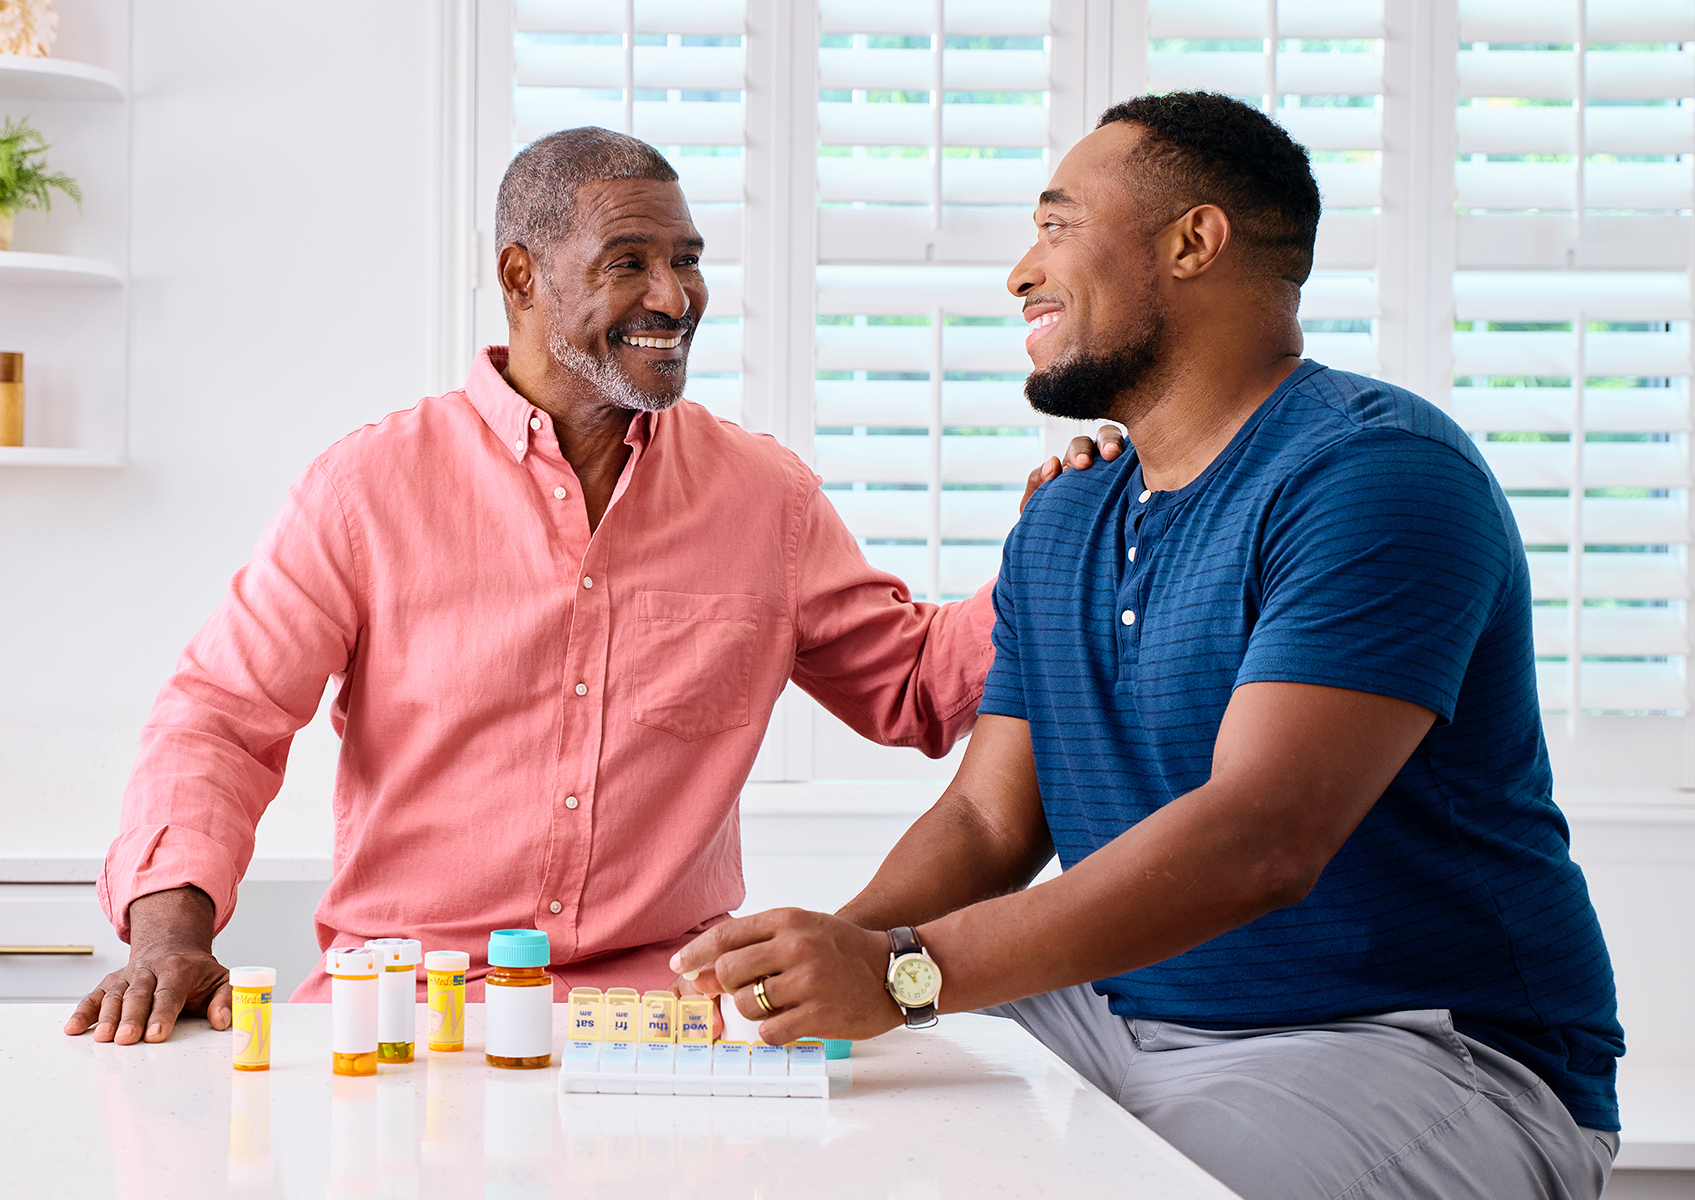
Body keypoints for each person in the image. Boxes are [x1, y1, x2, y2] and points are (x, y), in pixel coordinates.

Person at [673, 92, 1623, 1200]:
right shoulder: (1068, 513)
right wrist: (818, 968)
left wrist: (903, 974)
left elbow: (1262, 838)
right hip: (1118, 1007)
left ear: (1192, 241)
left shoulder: (1375, 478)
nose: (1021, 271)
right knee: (812, 1148)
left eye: (1057, 225)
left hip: (1409, 1046)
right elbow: (990, 818)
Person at [64, 127, 1120, 1046]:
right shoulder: (368, 488)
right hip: (408, 1012)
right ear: (522, 277)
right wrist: (169, 936)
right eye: (629, 262)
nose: (675, 297)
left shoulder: (765, 498)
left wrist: (1049, 544)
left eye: (687, 261)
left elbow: (919, 691)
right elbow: (218, 718)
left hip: (669, 1021)